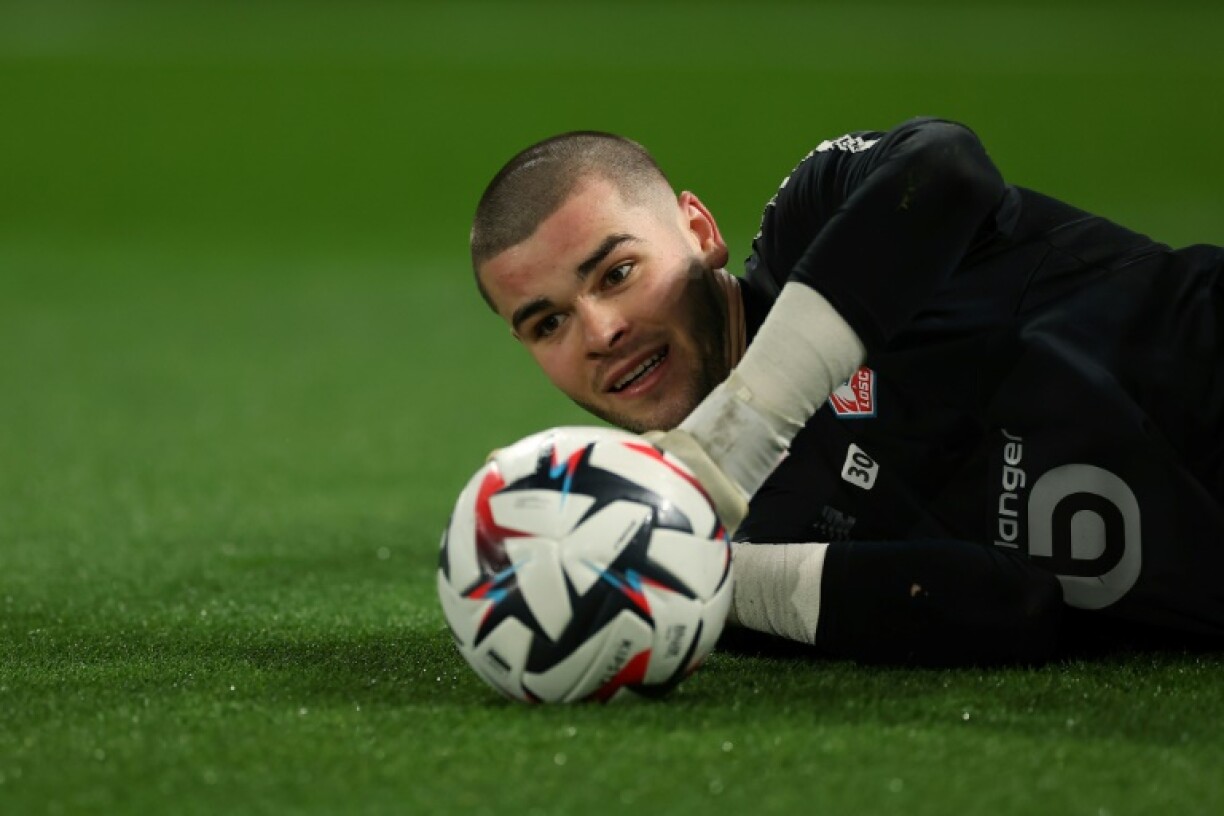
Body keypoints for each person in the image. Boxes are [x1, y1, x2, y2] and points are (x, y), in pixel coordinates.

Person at [469, 116, 1224, 665]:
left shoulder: (814, 224)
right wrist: (681, 572)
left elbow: (947, 169)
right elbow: (1007, 608)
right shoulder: (735, 560)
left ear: (699, 231)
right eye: (548, 323)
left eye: (618, 273)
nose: (599, 331)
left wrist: (732, 441)